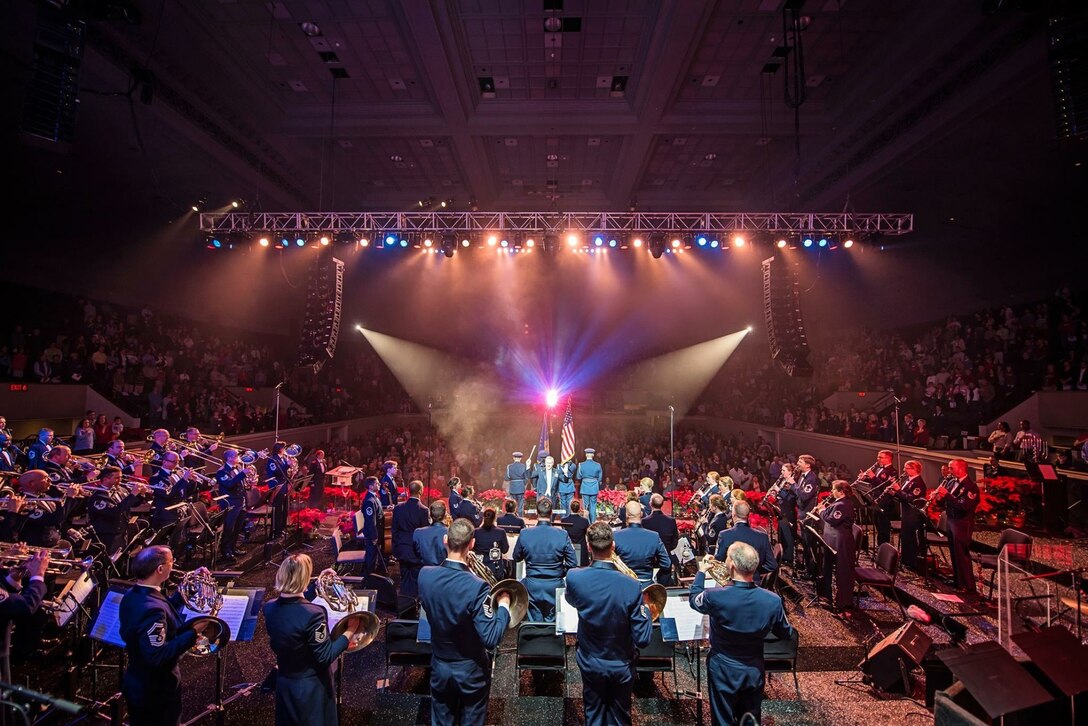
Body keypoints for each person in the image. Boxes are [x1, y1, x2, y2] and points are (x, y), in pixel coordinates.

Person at [418, 517, 511, 726]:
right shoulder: (477, 586)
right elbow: (491, 638)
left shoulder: (424, 576)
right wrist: (504, 604)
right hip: (470, 671)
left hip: (439, 665)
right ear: (472, 544)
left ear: (445, 540)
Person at [689, 541, 794, 726]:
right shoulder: (773, 600)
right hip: (753, 666)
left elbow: (694, 600)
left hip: (723, 666)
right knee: (750, 718)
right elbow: (785, 632)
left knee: (722, 718)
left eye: (728, 557)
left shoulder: (714, 596)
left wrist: (701, 572)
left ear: (733, 565)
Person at [563, 521, 653, 726]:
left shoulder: (575, 577)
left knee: (593, 713)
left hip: (590, 659)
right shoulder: (631, 585)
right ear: (613, 547)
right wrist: (646, 608)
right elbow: (643, 638)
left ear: (588, 547)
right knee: (621, 716)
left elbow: (571, 600)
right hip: (621, 662)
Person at [263, 554, 355, 726]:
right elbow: (325, 656)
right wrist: (349, 632)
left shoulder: (269, 608)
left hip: (285, 685)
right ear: (304, 578)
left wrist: (314, 586)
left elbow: (295, 610)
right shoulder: (315, 614)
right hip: (310, 690)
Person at [119, 546, 206, 726]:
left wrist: (190, 587)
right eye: (171, 562)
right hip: (155, 690)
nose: (173, 566)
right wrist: (194, 631)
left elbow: (165, 607)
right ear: (160, 569)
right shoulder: (152, 610)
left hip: (138, 681)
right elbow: (158, 655)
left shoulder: (134, 594)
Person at [512, 497, 577, 622]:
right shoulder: (562, 534)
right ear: (551, 513)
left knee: (534, 624)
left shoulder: (525, 533)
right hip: (555, 584)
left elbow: (516, 557)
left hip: (532, 585)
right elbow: (572, 563)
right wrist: (559, 571)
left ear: (537, 512)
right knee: (553, 625)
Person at [87, 465, 151, 555]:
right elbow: (114, 511)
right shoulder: (98, 496)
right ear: (105, 479)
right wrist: (132, 494)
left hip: (122, 532)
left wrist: (141, 494)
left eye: (121, 477)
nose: (120, 481)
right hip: (108, 535)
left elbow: (132, 504)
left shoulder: (120, 490)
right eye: (116, 478)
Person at [714, 501, 778, 586]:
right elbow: (772, 565)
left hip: (730, 584)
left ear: (733, 515)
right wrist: (754, 570)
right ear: (748, 515)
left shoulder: (724, 535)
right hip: (754, 584)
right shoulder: (762, 536)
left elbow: (718, 561)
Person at [940, 459, 979, 593]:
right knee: (953, 551)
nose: (949, 471)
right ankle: (958, 581)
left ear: (961, 468)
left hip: (962, 522)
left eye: (951, 468)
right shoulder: (951, 481)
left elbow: (964, 505)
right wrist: (940, 498)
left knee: (961, 553)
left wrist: (947, 495)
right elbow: (948, 500)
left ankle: (967, 585)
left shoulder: (971, 487)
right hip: (952, 520)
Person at [818, 480, 857, 616]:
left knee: (843, 572)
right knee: (829, 567)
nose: (831, 492)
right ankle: (829, 596)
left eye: (834, 489)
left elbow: (832, 519)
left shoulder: (843, 505)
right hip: (832, 539)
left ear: (841, 492)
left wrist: (822, 511)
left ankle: (844, 603)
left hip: (842, 542)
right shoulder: (838, 503)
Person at [613, 501, 671, 590]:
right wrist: (657, 581)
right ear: (641, 514)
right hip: (647, 588)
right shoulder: (654, 536)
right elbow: (666, 564)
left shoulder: (616, 536)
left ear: (627, 515)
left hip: (623, 587)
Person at [150, 451, 195, 552]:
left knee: (180, 540)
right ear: (164, 462)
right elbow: (167, 495)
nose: (177, 465)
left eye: (178, 461)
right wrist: (184, 479)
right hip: (167, 514)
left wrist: (193, 481)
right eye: (174, 462)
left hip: (180, 510)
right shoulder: (156, 478)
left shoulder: (178, 473)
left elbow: (186, 492)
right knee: (169, 544)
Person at [887, 460, 927, 571]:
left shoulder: (918, 483)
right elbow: (902, 497)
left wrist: (898, 489)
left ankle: (912, 562)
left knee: (911, 538)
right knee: (906, 537)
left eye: (907, 468)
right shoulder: (908, 480)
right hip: (906, 512)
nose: (904, 470)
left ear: (915, 469)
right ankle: (906, 560)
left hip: (913, 514)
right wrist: (894, 493)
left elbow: (911, 499)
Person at [392, 480, 430, 597]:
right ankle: (413, 603)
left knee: (404, 576)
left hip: (402, 548)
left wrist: (395, 548)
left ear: (409, 491)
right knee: (415, 579)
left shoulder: (398, 508)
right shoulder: (423, 510)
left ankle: (403, 601)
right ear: (421, 491)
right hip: (416, 551)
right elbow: (425, 533)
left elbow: (394, 530)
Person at [856, 450, 898, 546]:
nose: (878, 459)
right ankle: (880, 549)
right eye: (878, 457)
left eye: (880, 457)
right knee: (878, 528)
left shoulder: (893, 471)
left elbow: (884, 486)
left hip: (885, 502)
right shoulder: (879, 469)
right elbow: (874, 483)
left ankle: (885, 549)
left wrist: (873, 476)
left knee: (884, 528)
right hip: (875, 500)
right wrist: (865, 478)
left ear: (888, 458)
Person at [215, 450, 249, 560]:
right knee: (229, 527)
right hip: (231, 502)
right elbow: (229, 483)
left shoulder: (238, 467)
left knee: (238, 526)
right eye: (236, 455)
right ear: (229, 458)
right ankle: (226, 551)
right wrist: (243, 474)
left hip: (240, 500)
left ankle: (233, 547)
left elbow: (240, 482)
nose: (239, 457)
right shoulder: (222, 471)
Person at [642, 494, 679, 584]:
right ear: (662, 504)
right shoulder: (671, 520)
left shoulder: (644, 522)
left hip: (649, 559)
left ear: (650, 503)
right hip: (666, 557)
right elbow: (675, 540)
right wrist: (667, 549)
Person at [795, 455, 820, 578]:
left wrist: (793, 485)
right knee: (804, 542)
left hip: (807, 514)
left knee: (809, 543)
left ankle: (812, 571)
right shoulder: (802, 475)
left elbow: (804, 496)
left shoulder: (811, 478)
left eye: (800, 461)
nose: (797, 463)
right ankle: (807, 568)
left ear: (808, 465)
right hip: (802, 511)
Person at [473, 507, 509, 581]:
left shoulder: (476, 532)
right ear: (495, 518)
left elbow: (472, 547)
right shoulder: (501, 532)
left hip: (479, 568)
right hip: (496, 569)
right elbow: (505, 550)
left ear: (483, 517)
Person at [356, 476, 383, 575]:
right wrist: (374, 536)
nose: (379, 484)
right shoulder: (369, 501)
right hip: (372, 533)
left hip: (376, 530)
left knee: (374, 555)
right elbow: (370, 521)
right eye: (377, 483)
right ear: (371, 486)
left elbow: (377, 511)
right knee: (371, 557)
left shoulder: (374, 496)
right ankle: (367, 578)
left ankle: (371, 575)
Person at [265, 442, 292, 538]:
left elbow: (285, 472)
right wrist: (287, 465)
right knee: (278, 509)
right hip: (277, 486)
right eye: (284, 448)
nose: (285, 449)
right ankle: (276, 530)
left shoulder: (284, 458)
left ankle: (282, 528)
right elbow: (276, 471)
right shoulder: (272, 459)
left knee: (285, 508)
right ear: (279, 449)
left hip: (284, 484)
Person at [413, 501, 449, 567]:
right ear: (445, 515)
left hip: (424, 573)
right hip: (445, 574)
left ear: (430, 515)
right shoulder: (451, 532)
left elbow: (416, 554)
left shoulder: (418, 533)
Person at [561, 499, 590, 566]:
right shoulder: (584, 521)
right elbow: (588, 534)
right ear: (579, 508)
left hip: (569, 549)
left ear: (570, 508)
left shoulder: (564, 520)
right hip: (582, 549)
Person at [576, 449, 603, 523]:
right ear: (593, 455)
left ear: (586, 455)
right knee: (593, 507)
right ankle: (593, 523)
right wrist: (595, 482)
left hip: (585, 487)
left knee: (586, 507)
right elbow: (600, 478)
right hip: (594, 487)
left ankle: (586, 523)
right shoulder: (598, 465)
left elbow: (578, 477)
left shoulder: (581, 465)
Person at [504, 451, 529, 516]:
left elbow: (507, 478)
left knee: (512, 506)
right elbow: (527, 477)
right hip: (521, 488)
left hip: (512, 488)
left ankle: (512, 519)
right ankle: (520, 519)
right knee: (520, 506)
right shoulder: (524, 466)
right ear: (520, 458)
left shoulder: (509, 467)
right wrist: (523, 483)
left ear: (513, 458)